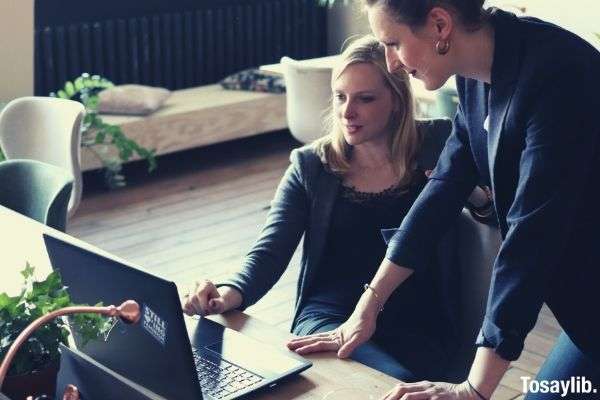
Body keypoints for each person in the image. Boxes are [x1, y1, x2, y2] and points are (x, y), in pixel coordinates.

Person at [288, 1, 600, 399]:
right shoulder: (476, 74)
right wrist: (368, 306)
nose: (392, 63)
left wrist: (474, 390)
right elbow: (443, 189)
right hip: (585, 312)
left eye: (393, 43)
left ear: (440, 24)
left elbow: (531, 239)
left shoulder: (558, 74)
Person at [183, 35, 482, 382]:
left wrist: (474, 194)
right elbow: (269, 252)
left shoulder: (439, 143)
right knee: (378, 381)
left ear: (397, 102)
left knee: (397, 381)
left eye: (365, 99)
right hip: (330, 316)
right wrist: (225, 294)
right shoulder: (312, 165)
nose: (347, 112)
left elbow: (491, 212)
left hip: (419, 320)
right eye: (340, 97)